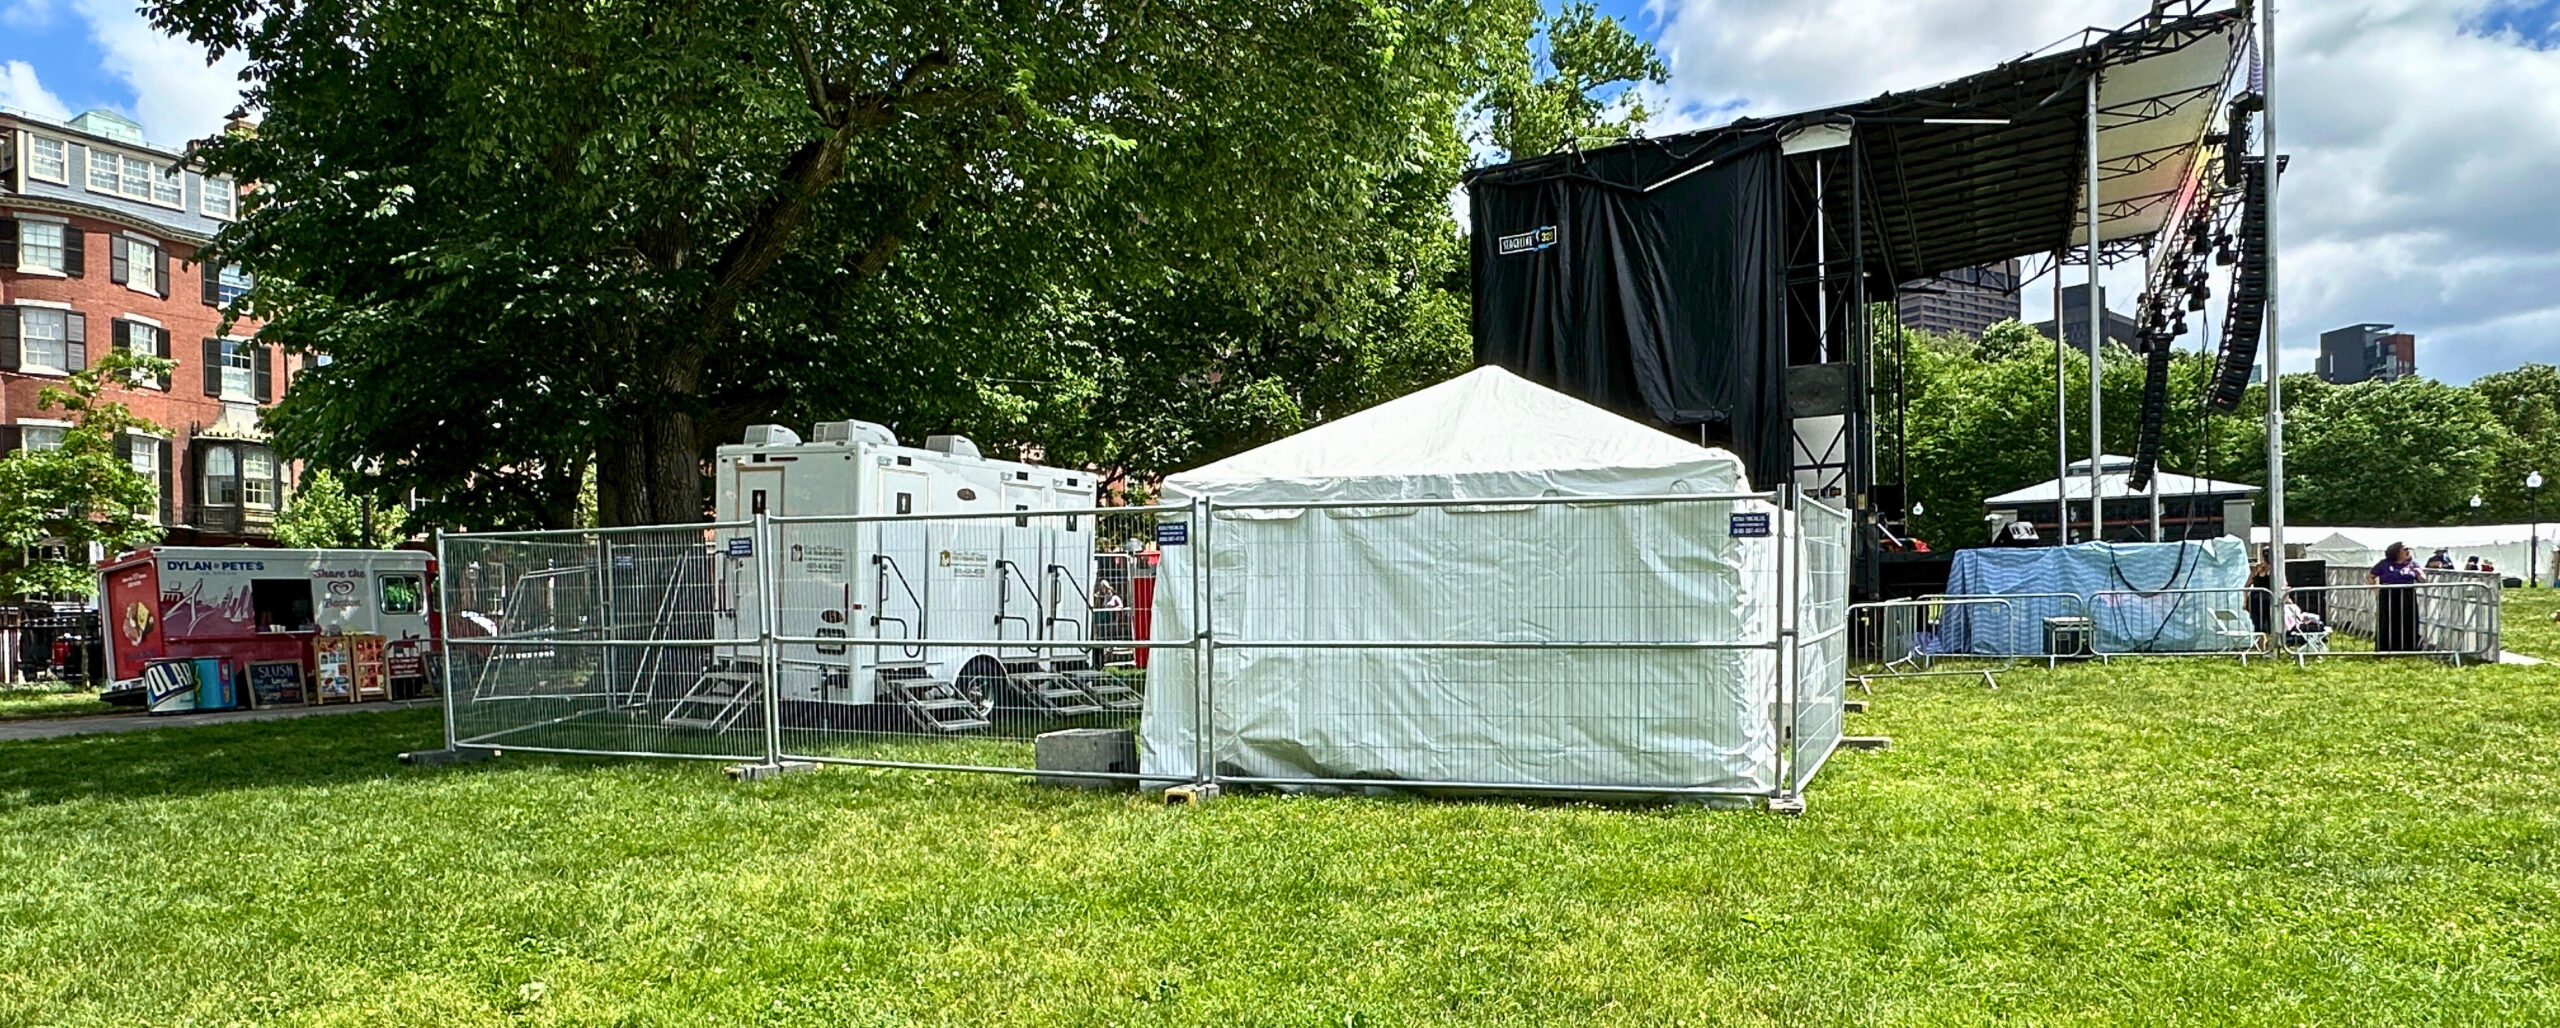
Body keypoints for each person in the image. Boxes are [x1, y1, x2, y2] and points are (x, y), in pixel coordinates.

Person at [2369, 542, 2426, 653]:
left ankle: (2409, 648)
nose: (2408, 551)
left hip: (2407, 595)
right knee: (2387, 621)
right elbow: (2371, 577)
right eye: (2405, 549)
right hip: (2388, 595)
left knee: (2408, 621)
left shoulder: (2412, 564)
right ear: (2396, 551)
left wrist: (2418, 572)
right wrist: (2376, 590)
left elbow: (2423, 579)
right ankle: (2385, 647)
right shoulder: (2384, 564)